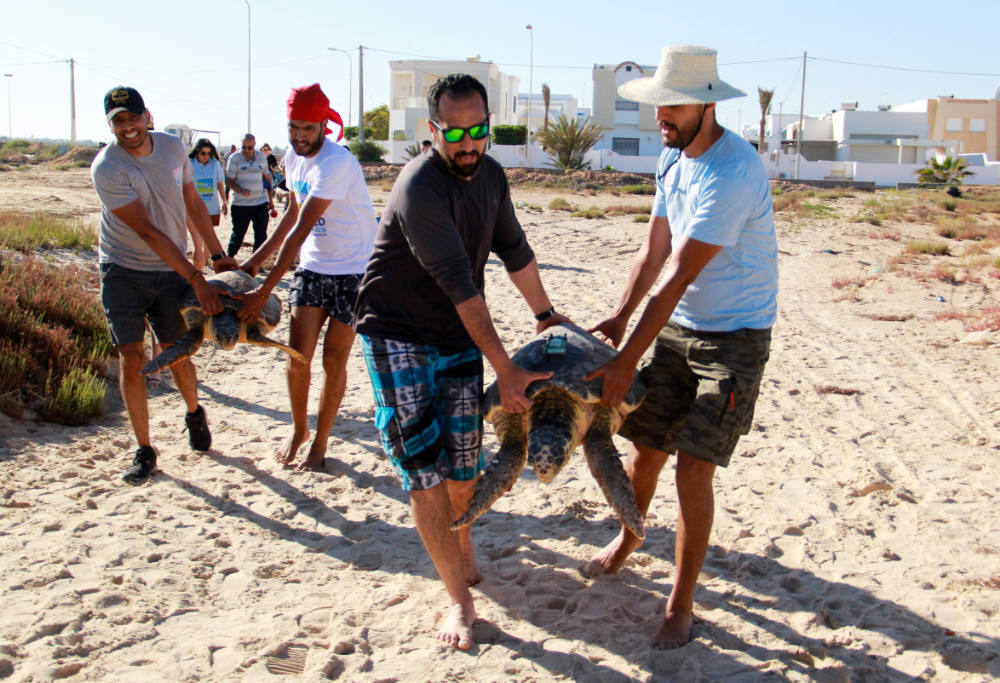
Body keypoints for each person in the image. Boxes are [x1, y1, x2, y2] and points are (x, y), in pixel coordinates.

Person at [353, 74, 569, 650]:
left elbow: (515, 251)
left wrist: (546, 314)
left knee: (465, 470)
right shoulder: (420, 185)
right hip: (396, 333)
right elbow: (460, 284)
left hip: (455, 334)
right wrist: (506, 367)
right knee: (426, 477)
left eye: (480, 131)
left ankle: (462, 545)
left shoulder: (491, 176)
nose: (470, 144)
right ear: (433, 131)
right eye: (457, 133)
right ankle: (458, 600)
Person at [582, 45, 778, 649]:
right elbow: (652, 253)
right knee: (645, 453)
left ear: (708, 105)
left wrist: (623, 364)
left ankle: (681, 603)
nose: (661, 115)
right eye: (657, 103)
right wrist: (618, 318)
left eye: (674, 104)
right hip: (680, 328)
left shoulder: (733, 170)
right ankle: (631, 535)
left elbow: (679, 276)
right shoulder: (672, 161)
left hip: (735, 336)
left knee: (693, 470)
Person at [91, 86, 239, 485]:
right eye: (118, 121)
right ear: (110, 125)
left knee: (177, 352)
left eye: (133, 117)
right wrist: (197, 278)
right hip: (123, 269)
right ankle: (144, 448)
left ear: (148, 116)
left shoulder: (174, 149)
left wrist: (216, 253)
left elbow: (192, 201)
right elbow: (148, 231)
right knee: (132, 356)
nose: (128, 127)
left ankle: (193, 412)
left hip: (170, 272)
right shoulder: (108, 167)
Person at [238, 84, 376, 472]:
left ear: (323, 126)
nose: (299, 136)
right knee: (298, 358)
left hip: (355, 271)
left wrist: (263, 290)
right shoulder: (292, 159)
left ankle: (320, 442)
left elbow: (301, 229)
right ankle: (299, 429)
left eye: (308, 129)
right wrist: (253, 263)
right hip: (314, 269)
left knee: (334, 362)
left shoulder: (337, 163)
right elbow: (289, 218)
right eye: (293, 127)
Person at [225, 134, 272, 257]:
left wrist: (271, 201)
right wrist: (240, 190)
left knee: (261, 234)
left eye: (249, 148)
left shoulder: (261, 157)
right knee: (238, 234)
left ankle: (256, 262)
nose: (246, 150)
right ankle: (229, 259)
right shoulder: (234, 158)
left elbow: (267, 179)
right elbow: (228, 180)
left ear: (254, 145)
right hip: (240, 205)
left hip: (260, 203)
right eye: (244, 147)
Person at [187, 139, 228, 269]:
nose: (206, 156)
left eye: (208, 153)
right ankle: (199, 261)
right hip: (194, 205)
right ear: (197, 152)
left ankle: (206, 261)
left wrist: (224, 201)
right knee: (197, 234)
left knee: (209, 233)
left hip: (211, 204)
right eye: (203, 153)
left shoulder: (215, 164)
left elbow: (220, 184)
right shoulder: (189, 163)